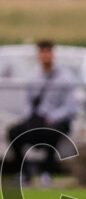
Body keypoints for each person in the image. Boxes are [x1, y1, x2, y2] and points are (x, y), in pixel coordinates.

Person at [6, 40, 80, 185]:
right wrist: (30, 118)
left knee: (50, 133)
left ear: (53, 54)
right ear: (38, 55)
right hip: (37, 120)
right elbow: (27, 103)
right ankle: (23, 171)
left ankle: (47, 171)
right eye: (42, 52)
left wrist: (52, 117)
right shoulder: (33, 76)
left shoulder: (65, 77)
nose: (46, 56)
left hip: (56, 121)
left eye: (48, 52)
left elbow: (70, 107)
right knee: (14, 133)